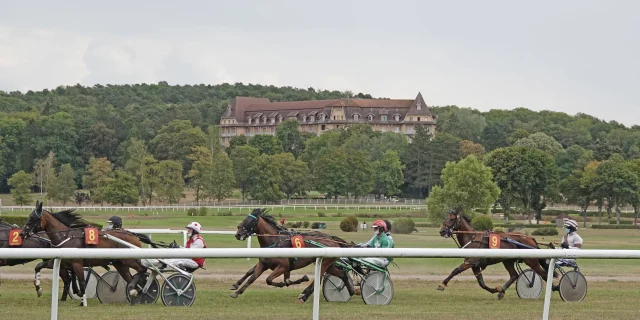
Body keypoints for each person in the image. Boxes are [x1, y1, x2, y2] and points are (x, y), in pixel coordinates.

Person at [142, 222, 207, 270]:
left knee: (177, 261)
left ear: (194, 231)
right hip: (190, 259)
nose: (188, 231)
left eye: (190, 229)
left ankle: (159, 264)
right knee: (170, 257)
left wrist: (177, 248)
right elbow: (185, 250)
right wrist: (176, 247)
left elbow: (189, 253)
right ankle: (152, 262)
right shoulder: (190, 240)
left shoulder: (199, 241)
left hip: (195, 262)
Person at [552, 219, 583, 291]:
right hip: (563, 257)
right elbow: (562, 249)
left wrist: (568, 247)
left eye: (567, 227)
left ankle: (558, 281)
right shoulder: (565, 237)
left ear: (572, 228)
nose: (566, 229)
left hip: (570, 259)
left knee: (553, 264)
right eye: (566, 227)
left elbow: (578, 250)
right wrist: (554, 248)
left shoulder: (577, 238)